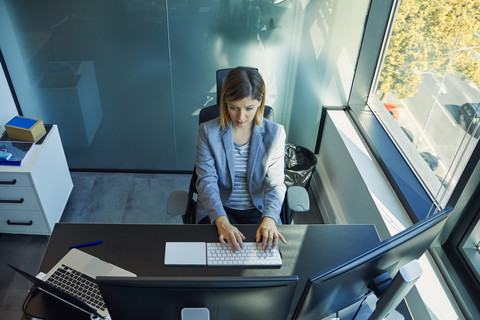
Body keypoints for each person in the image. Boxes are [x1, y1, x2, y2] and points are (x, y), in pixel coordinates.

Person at [195, 66, 287, 252]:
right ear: (225, 102)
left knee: (265, 259)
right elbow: (206, 180)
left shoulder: (275, 133)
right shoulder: (208, 131)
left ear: (260, 103)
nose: (240, 116)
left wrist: (269, 219)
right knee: (214, 259)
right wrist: (221, 221)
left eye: (249, 108)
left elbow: (275, 183)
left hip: (258, 209)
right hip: (220, 206)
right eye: (233, 107)